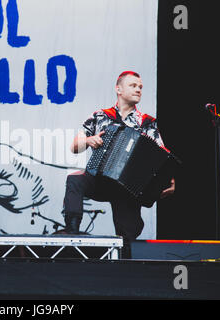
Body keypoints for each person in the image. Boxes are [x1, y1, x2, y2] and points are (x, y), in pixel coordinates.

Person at [63, 71, 175, 256]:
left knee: (128, 236)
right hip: (99, 178)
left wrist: (170, 178)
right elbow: (74, 146)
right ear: (119, 89)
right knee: (74, 180)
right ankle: (72, 232)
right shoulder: (100, 116)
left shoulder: (147, 123)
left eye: (140, 87)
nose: (138, 89)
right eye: (133, 85)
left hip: (127, 186)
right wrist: (89, 140)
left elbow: (162, 156)